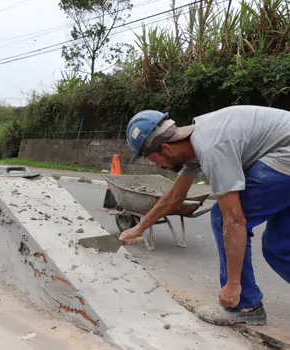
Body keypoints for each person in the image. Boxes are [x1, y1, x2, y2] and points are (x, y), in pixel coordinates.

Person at [121, 105, 290, 326]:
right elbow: (175, 196)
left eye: (154, 160)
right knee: (278, 246)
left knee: (223, 216)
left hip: (284, 158)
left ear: (167, 149)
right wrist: (140, 227)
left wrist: (233, 284)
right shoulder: (196, 141)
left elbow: (234, 220)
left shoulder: (211, 148)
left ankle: (245, 305)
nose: (159, 166)